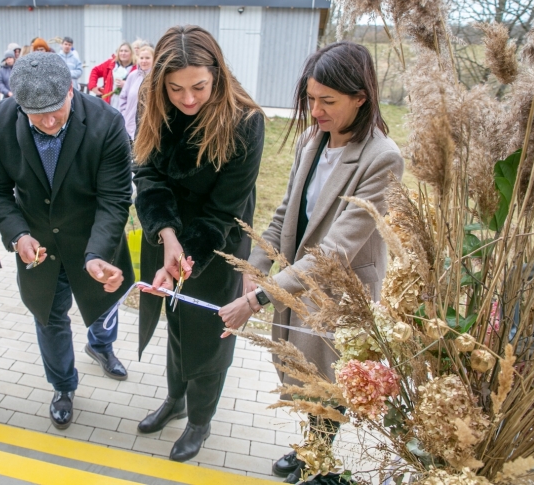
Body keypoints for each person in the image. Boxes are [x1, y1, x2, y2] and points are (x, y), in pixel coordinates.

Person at [218, 41, 405, 483]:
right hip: (295, 281)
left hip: (340, 293)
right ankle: (311, 452)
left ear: (361, 97)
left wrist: (264, 295)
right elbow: (285, 211)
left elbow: (337, 249)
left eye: (328, 101)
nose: (315, 110)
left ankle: (323, 466)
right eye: (310, 99)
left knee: (331, 381)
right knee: (303, 377)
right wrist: (255, 267)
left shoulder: (383, 158)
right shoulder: (310, 140)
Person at [0, 52, 133, 430]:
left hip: (93, 235)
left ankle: (101, 344)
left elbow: (114, 198)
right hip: (37, 244)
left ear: (71, 90)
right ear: (17, 103)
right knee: (49, 316)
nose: (48, 122)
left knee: (103, 302)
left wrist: (98, 252)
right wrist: (17, 235)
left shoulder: (107, 122)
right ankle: (63, 386)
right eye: (36, 114)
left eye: (56, 110)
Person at [133, 25, 265, 463]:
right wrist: (166, 235)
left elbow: (222, 211)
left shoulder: (245, 121)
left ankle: (200, 418)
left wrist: (184, 257)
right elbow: (147, 175)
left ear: (218, 75)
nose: (187, 99)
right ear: (159, 84)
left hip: (215, 242)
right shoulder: (151, 105)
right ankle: (176, 399)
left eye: (199, 87)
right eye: (175, 89)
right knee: (175, 322)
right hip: (166, 233)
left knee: (208, 331)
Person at [118, 45, 153, 142]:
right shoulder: (132, 76)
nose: (144, 61)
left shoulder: (156, 77)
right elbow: (123, 97)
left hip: (148, 124)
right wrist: (125, 114)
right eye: (141, 58)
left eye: (147, 58)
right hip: (130, 123)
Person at [88, 42, 135, 107]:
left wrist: (127, 85)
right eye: (121, 51)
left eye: (126, 51)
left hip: (127, 104)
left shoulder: (136, 67)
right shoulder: (111, 64)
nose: (123, 53)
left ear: (131, 53)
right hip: (109, 102)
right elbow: (95, 71)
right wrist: (93, 86)